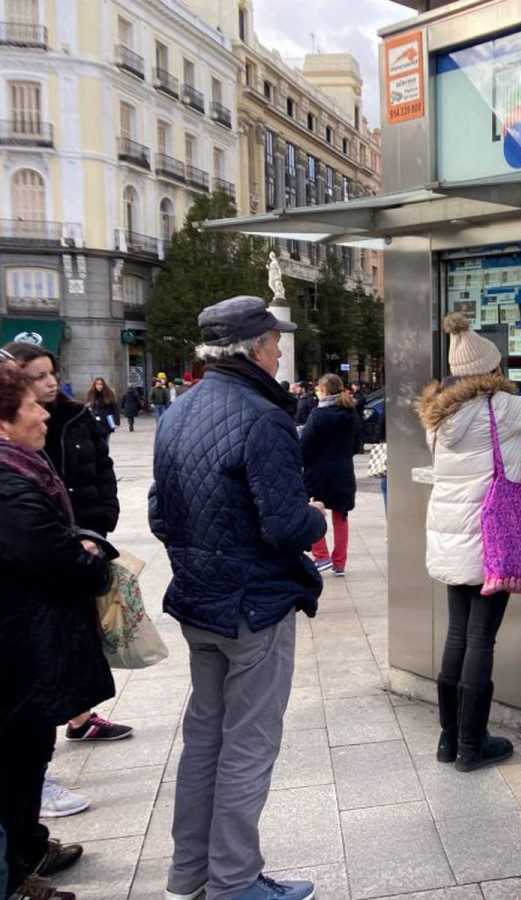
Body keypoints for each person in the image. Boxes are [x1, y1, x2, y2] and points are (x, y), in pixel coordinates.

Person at [149, 296, 326, 900]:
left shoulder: (179, 410)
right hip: (254, 607)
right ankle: (234, 882)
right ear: (255, 348)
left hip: (199, 601)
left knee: (206, 740)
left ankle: (190, 876)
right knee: (248, 746)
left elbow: (157, 512)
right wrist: (315, 519)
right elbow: (282, 525)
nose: (280, 353)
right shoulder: (264, 417)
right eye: (276, 343)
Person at [417, 314, 521, 772]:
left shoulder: (439, 415)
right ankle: (473, 746)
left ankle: (449, 741)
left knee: (456, 634)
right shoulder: (499, 408)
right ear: (491, 372)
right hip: (491, 540)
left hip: (452, 538)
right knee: (481, 640)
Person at [2, 343, 133, 820]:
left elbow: (101, 470)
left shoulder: (74, 422)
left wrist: (99, 522)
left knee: (32, 727)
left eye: (50, 376)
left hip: (76, 545)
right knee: (23, 736)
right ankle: (22, 854)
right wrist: (85, 555)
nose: (47, 396)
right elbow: (48, 554)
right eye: (35, 386)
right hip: (32, 617)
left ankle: (28, 846)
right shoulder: (11, 478)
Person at [299, 374, 360, 577]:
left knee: (316, 512)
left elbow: (305, 445)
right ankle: (339, 563)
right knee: (341, 517)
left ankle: (321, 556)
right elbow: (358, 443)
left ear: (324, 390)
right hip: (343, 471)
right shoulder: (350, 414)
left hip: (318, 472)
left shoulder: (318, 415)